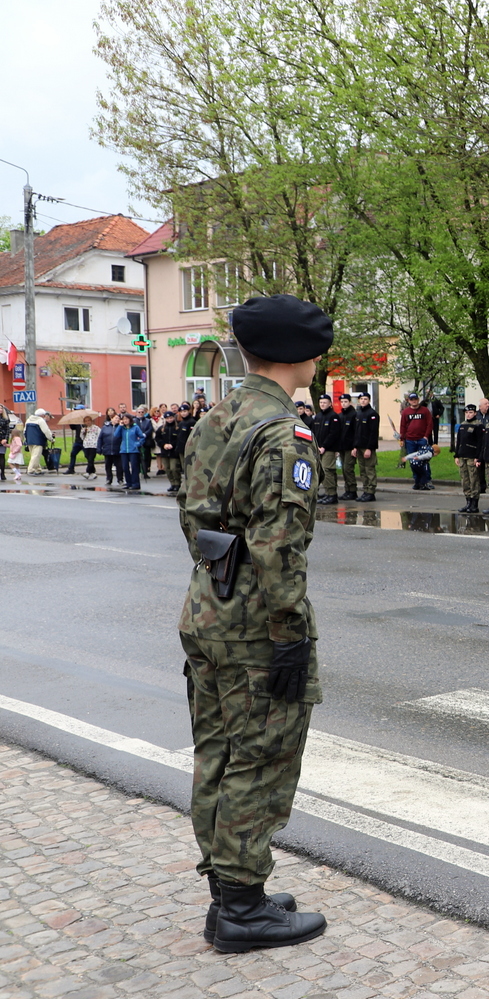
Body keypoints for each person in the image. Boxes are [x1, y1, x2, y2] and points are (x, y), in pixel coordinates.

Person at [175, 296, 329, 951]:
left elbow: (193, 519)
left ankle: (233, 890)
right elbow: (277, 546)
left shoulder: (219, 414)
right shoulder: (282, 431)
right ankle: (241, 908)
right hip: (256, 625)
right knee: (259, 758)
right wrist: (290, 633)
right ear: (299, 355)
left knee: (217, 751)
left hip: (209, 606)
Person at [346, 392, 380, 502]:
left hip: (367, 447)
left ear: (369, 400)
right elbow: (356, 432)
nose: (363, 401)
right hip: (359, 446)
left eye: (365, 399)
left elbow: (373, 433)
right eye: (361, 399)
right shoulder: (358, 413)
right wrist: (354, 447)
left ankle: (371, 492)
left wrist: (369, 448)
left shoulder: (372, 414)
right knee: (362, 470)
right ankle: (365, 490)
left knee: (369, 469)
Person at [310, 394, 343, 505]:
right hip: (319, 448)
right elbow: (314, 433)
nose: (322, 404)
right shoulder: (318, 416)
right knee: (321, 471)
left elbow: (333, 434)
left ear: (330, 404)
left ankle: (332, 494)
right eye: (321, 402)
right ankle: (328, 493)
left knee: (327, 470)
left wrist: (324, 446)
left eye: (325, 402)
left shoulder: (333, 417)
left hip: (329, 449)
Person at [399, 393, 435, 490]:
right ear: (409, 401)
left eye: (415, 399)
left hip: (422, 439)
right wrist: (402, 438)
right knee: (413, 461)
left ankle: (427, 480)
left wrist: (426, 437)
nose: (414, 401)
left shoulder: (425, 411)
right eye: (412, 399)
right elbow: (403, 426)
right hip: (410, 440)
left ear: (418, 400)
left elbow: (429, 424)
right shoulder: (406, 412)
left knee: (424, 460)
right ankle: (417, 481)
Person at [453, 405, 485, 513]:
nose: (468, 414)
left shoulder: (478, 425)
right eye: (466, 412)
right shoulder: (463, 425)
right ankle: (468, 502)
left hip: (472, 456)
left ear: (475, 413)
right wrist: (456, 455)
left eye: (471, 412)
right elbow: (459, 441)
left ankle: (474, 504)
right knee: (465, 480)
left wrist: (478, 457)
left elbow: (481, 443)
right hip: (462, 456)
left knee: (474, 480)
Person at [117, 413, 146, 491]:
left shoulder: (135, 427)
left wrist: (138, 444)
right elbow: (116, 435)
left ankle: (135, 483)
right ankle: (128, 482)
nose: (125, 421)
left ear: (130, 420)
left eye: (127, 419)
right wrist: (120, 426)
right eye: (124, 419)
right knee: (125, 467)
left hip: (133, 450)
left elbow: (142, 437)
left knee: (134, 467)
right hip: (124, 450)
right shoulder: (122, 428)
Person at [24, 408, 51, 474]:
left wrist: (26, 439)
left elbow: (25, 431)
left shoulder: (28, 420)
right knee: (36, 456)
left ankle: (38, 469)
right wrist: (51, 438)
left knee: (34, 455)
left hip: (29, 441)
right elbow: (46, 431)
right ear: (42, 415)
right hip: (38, 441)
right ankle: (30, 470)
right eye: (44, 415)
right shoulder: (41, 421)